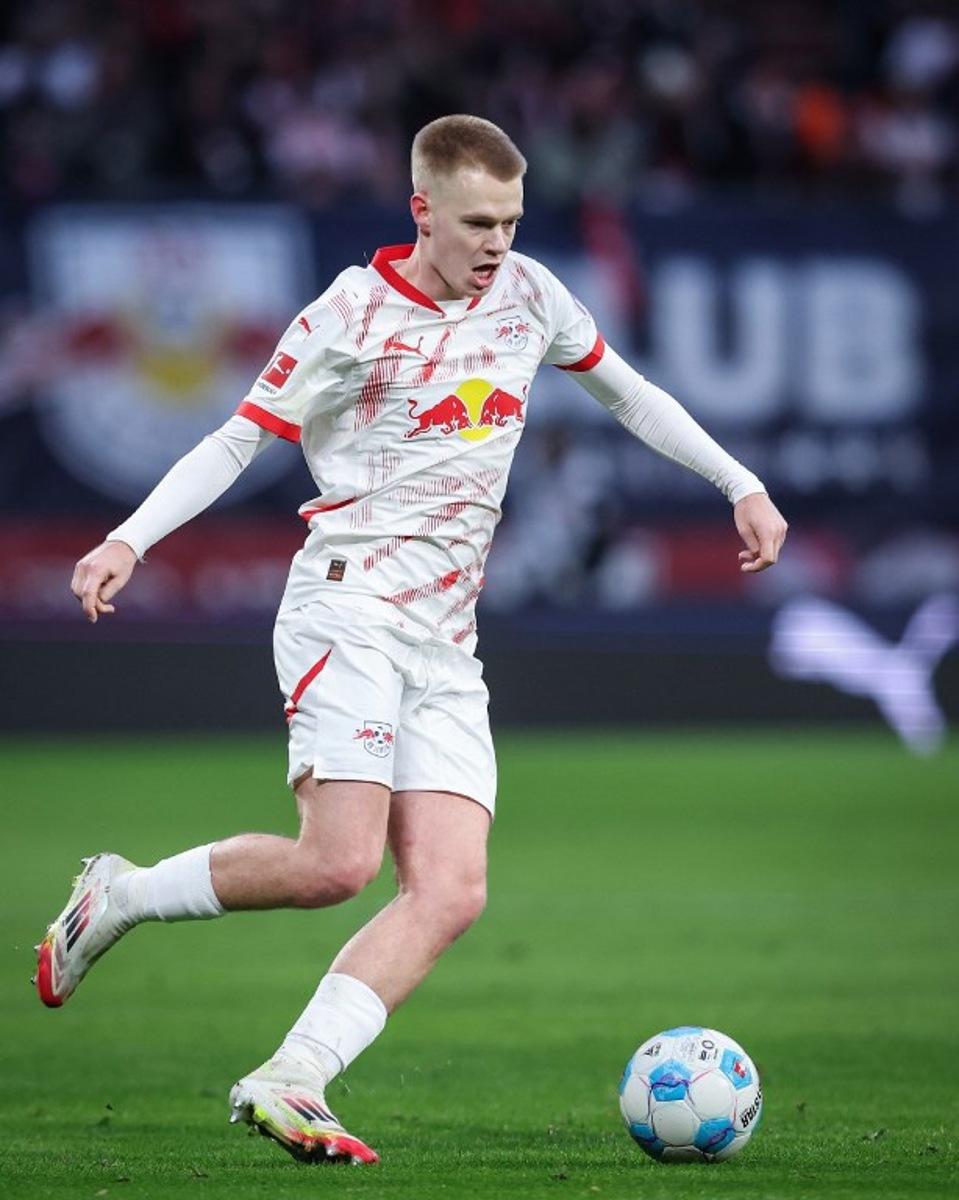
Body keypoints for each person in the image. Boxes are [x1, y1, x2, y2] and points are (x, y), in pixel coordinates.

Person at [37, 114, 787, 1165]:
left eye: (513, 221)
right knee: (333, 866)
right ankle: (117, 893)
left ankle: (289, 1076)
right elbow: (236, 438)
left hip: (446, 637)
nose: (497, 241)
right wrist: (127, 540)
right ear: (421, 209)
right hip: (346, 607)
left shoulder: (529, 294)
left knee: (451, 891)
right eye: (477, 221)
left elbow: (629, 394)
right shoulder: (348, 312)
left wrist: (739, 483)